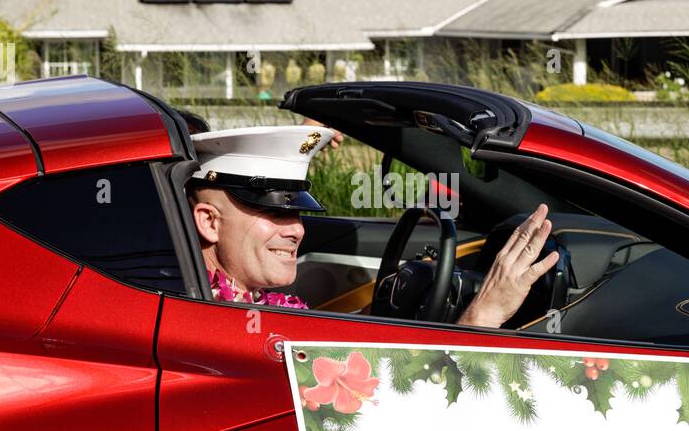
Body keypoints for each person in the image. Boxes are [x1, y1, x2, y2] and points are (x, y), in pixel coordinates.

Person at [188, 125, 557, 328]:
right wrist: (484, 313)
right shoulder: (218, 327)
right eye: (275, 214)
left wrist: (383, 315)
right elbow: (378, 412)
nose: (296, 230)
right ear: (209, 222)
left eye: (296, 213)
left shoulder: (245, 309)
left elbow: (325, 348)